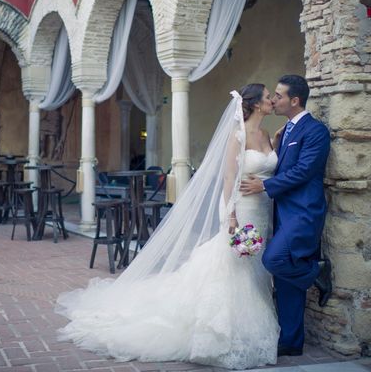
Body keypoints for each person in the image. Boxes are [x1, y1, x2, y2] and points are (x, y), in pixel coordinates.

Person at [56, 84, 280, 370]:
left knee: (256, 267)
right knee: (237, 267)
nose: (271, 101)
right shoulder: (237, 135)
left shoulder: (266, 135)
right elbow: (228, 180)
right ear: (256, 104)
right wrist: (232, 218)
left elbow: (269, 167)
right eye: (267, 98)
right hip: (243, 211)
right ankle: (225, 332)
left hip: (264, 210)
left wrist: (275, 141)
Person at [240, 75, 331, 357]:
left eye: (278, 96)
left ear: (294, 100)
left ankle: (317, 272)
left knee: (273, 260)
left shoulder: (315, 131)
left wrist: (265, 185)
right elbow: (280, 165)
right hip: (278, 213)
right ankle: (291, 341)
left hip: (303, 212)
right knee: (284, 280)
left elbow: (304, 171)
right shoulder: (285, 131)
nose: (273, 100)